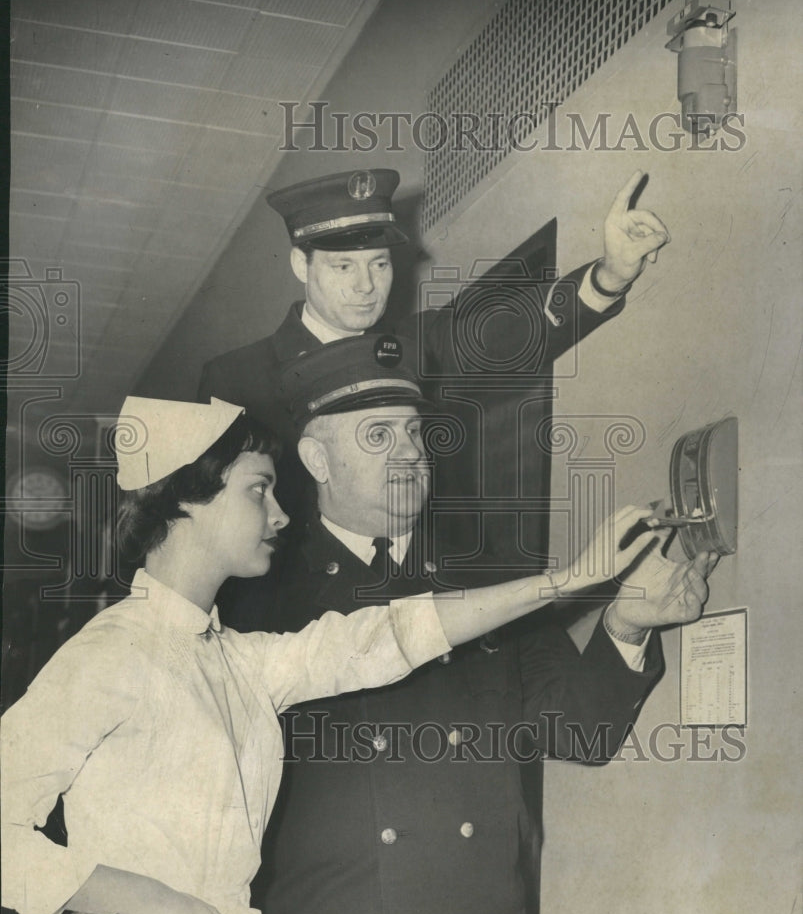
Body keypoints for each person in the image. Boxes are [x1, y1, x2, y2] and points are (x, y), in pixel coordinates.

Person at [0, 396, 666, 914]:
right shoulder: (110, 654)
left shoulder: (236, 660)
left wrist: (570, 580)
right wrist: (151, 901)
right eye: (258, 491)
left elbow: (386, 637)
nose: (282, 514)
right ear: (184, 502)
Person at [254, 337, 717, 914]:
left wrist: (629, 622)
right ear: (317, 460)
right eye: (378, 436)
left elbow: (579, 731)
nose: (410, 455)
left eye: (415, 433)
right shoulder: (261, 597)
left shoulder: (493, 580)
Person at [198, 166, 669, 625]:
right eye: (343, 266)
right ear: (302, 264)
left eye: (379, 264)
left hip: (428, 606)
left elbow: (512, 335)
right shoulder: (237, 380)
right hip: (299, 620)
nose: (366, 286)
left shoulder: (417, 347)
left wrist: (609, 275)